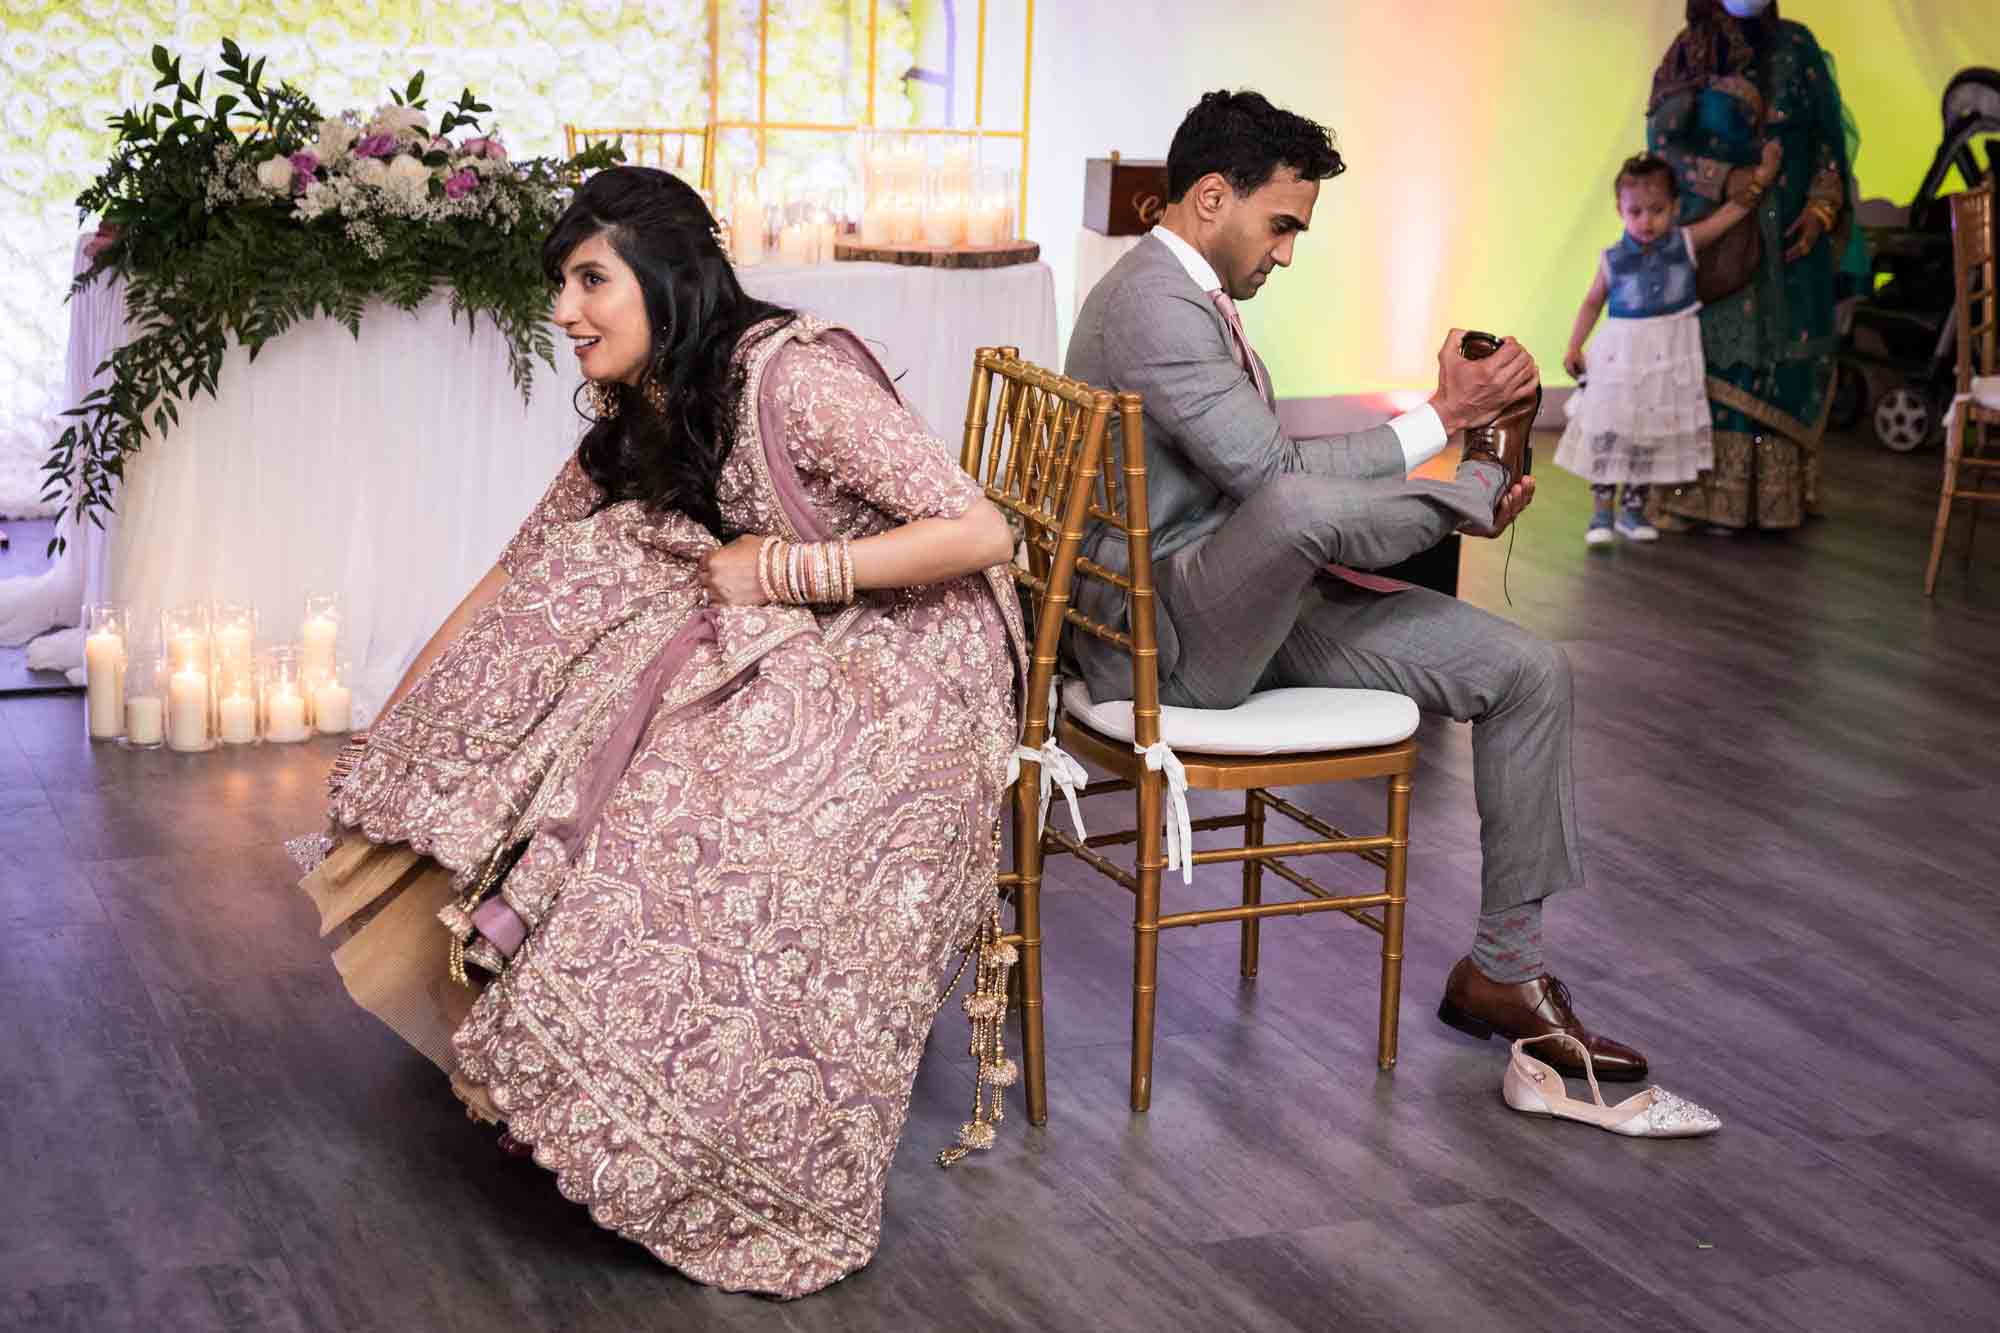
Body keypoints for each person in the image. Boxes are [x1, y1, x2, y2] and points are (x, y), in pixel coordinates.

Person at [293, 166, 1025, 1299]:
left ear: (666, 281)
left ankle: (692, 1129)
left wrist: (785, 569)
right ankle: (554, 1048)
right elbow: (515, 571)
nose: (564, 311)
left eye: (591, 279)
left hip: (920, 646)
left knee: (703, 777)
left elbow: (979, 533)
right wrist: (390, 738)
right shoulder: (654, 399)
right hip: (801, 616)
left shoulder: (795, 380)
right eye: (559, 283)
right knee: (592, 581)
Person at [1066, 90, 1649, 1082]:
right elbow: (1280, 488)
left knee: (1526, 668)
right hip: (1162, 643)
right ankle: (1465, 493)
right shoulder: (1149, 306)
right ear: (1210, 197)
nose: (1286, 252)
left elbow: (1272, 476)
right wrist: (1447, 436)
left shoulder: (1186, 295)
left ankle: (1502, 973)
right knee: (1296, 509)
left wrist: (1445, 454)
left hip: (1247, 602)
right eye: (1280, 224)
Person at [1647, 0, 1854, 532]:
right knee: (1713, 362)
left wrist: (1820, 209)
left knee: (1785, 362)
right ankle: (1700, 502)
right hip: (1719, 242)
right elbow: (1664, 146)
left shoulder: (1798, 45)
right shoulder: (1690, 51)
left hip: (1789, 247)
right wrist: (1724, 181)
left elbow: (1829, 145)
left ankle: (1775, 501)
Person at [1559, 144, 1782, 547]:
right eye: (1635, 212)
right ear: (1620, 211)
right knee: (1612, 430)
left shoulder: (1685, 242)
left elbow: (1729, 216)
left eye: (1657, 210)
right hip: (1622, 357)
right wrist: (1575, 346)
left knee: (1648, 432)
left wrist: (1761, 179)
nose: (1646, 221)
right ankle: (1600, 514)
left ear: (1675, 207)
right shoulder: (1613, 258)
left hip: (1668, 354)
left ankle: (1632, 511)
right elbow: (1593, 302)